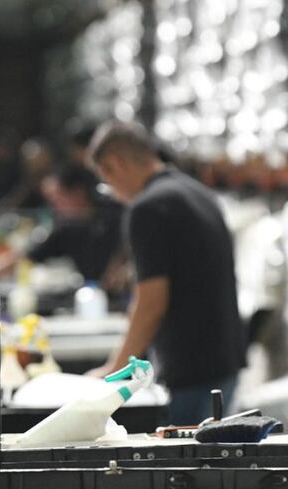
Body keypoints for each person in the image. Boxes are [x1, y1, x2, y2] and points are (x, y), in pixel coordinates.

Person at [86, 120, 245, 425]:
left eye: (106, 182)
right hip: (224, 360)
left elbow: (151, 302)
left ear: (115, 165)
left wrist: (113, 371)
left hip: (189, 370)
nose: (113, 195)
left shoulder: (147, 209)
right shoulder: (197, 192)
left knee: (183, 453)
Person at [0, 164, 123, 288]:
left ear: (77, 193)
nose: (54, 207)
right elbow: (22, 257)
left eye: (58, 199)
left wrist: (120, 264)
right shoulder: (64, 229)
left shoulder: (116, 210)